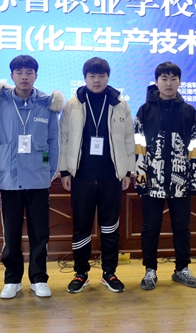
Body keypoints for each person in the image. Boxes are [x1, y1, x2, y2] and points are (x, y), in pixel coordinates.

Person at [0, 55, 63, 299]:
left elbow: (53, 142)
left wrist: (48, 170)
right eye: (19, 72)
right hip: (9, 179)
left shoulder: (47, 105)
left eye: (29, 72)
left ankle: (39, 278)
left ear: (36, 76)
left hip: (38, 179)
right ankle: (12, 280)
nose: (24, 77)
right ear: (12, 76)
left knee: (39, 233)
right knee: (11, 233)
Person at [59, 57, 135, 294]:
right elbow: (64, 139)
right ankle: (81, 273)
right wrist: (64, 171)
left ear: (108, 77)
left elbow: (128, 139)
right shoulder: (72, 104)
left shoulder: (120, 104)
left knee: (110, 227)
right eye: (92, 76)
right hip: (81, 175)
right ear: (85, 78)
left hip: (111, 176)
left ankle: (109, 272)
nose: (97, 80)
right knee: (81, 227)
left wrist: (127, 171)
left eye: (101, 75)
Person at [134, 61, 196, 291]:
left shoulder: (189, 112)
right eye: (164, 78)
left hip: (180, 181)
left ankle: (182, 269)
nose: (169, 83)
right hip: (151, 181)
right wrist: (141, 180)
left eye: (173, 79)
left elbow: (195, 148)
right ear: (156, 82)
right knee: (150, 227)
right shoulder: (144, 111)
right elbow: (139, 148)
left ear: (179, 82)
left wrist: (194, 181)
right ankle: (150, 271)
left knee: (182, 227)